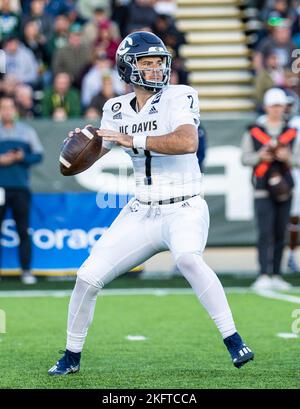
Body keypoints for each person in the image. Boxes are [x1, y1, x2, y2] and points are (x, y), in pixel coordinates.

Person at [48, 31, 254, 376]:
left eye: (160, 62)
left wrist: (131, 138)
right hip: (141, 209)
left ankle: (233, 339)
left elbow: (187, 142)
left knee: (188, 258)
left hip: (184, 206)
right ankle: (71, 355)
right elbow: (88, 158)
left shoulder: (180, 95)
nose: (157, 68)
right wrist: (79, 147)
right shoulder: (114, 108)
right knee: (87, 277)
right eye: (148, 62)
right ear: (128, 68)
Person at [241, 88, 300, 290]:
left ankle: (276, 273)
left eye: (280, 105)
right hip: (262, 188)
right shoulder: (254, 131)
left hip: (285, 188)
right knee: (265, 232)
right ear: (266, 107)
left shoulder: (291, 132)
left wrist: (287, 158)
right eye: (274, 105)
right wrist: (260, 157)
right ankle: (263, 274)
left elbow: (298, 159)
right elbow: (245, 158)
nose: (277, 109)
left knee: (280, 232)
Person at [0, 96, 43, 284]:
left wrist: (21, 157)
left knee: (23, 231)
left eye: (10, 107)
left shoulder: (26, 132)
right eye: (3, 107)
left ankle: (26, 271)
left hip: (20, 188)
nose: (7, 111)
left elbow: (38, 156)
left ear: (15, 110)